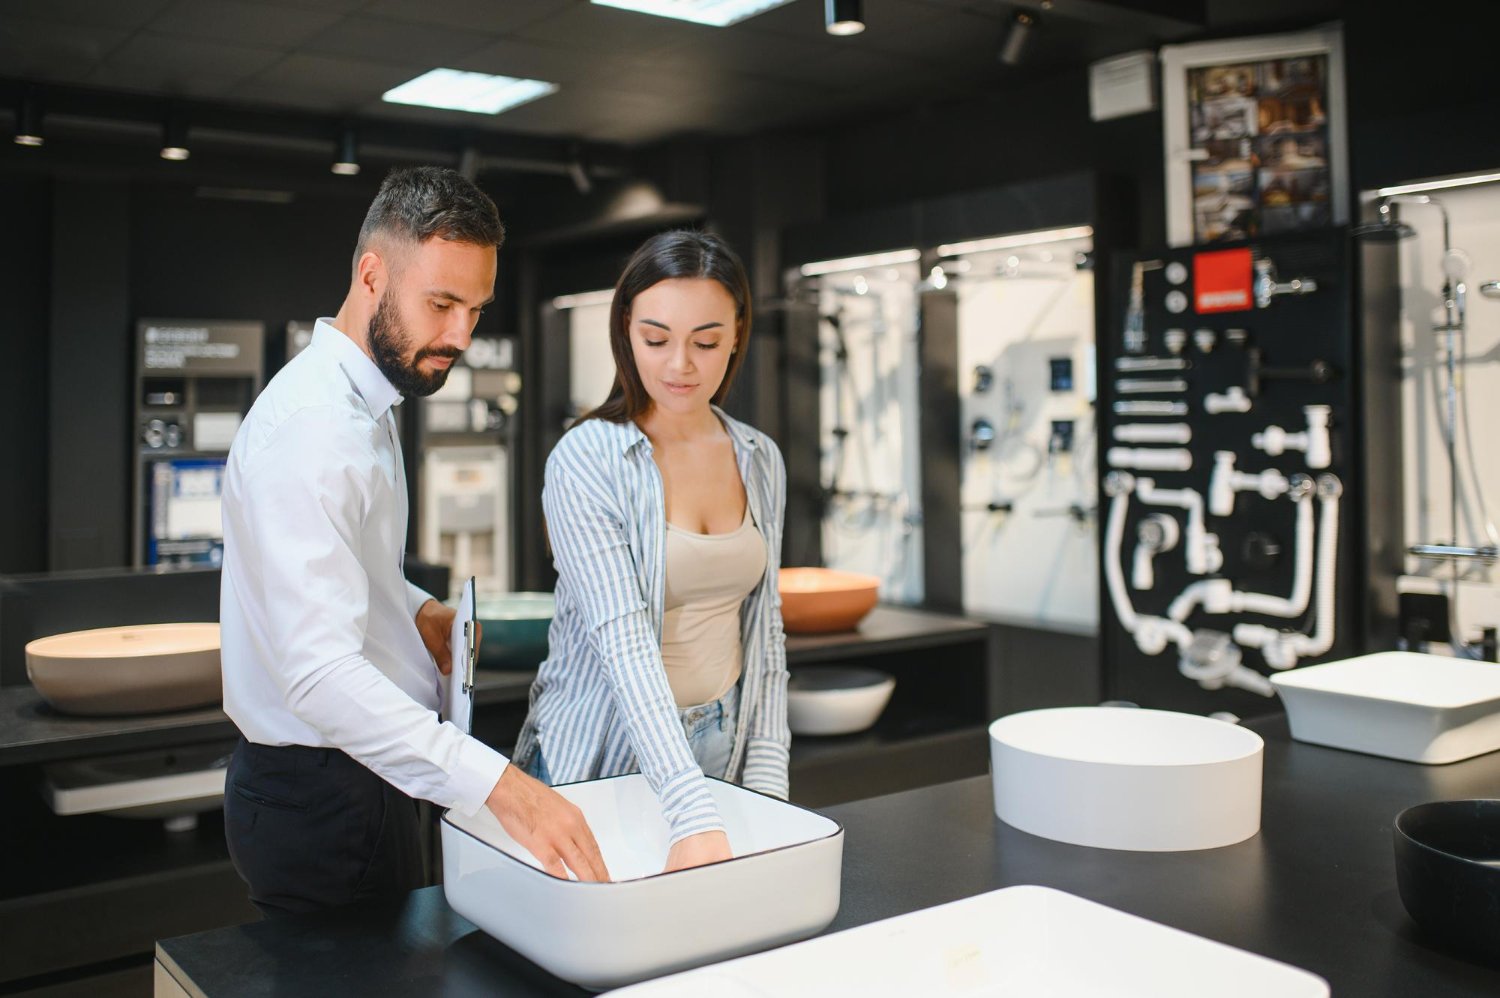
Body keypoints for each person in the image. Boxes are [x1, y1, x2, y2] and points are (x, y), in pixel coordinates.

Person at [220, 166, 608, 917]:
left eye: (475, 308)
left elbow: (336, 573)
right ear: (371, 274)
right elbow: (318, 674)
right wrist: (500, 788)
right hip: (325, 797)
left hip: (366, 777)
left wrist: (416, 610)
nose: (462, 335)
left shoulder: (364, 403)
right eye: (442, 303)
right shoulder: (315, 430)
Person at [512, 229, 790, 873]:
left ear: (738, 334)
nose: (680, 366)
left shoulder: (758, 458)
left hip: (723, 741)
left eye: (707, 342)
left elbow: (765, 634)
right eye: (657, 339)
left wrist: (773, 792)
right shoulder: (588, 459)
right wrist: (689, 805)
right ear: (625, 331)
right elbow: (622, 641)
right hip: (604, 752)